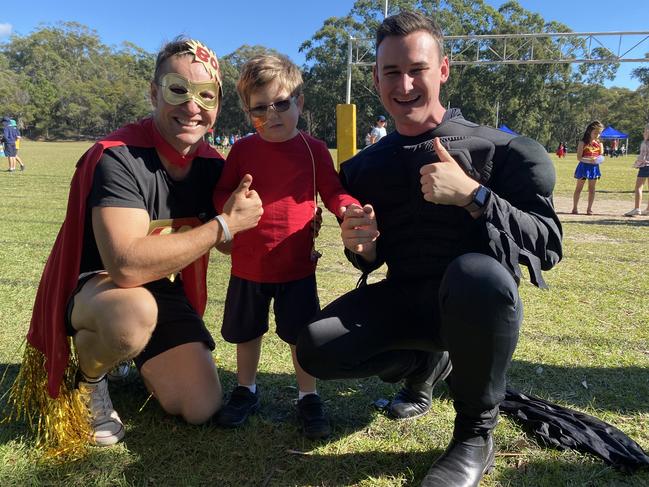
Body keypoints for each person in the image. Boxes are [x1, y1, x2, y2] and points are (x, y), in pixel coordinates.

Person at [296, 11, 562, 487]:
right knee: (315, 348)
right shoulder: (364, 168)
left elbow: (547, 243)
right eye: (391, 72)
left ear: (442, 70)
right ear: (375, 77)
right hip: (406, 300)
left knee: (474, 275)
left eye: (416, 68)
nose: (404, 85)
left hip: (478, 305)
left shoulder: (501, 150)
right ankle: (424, 364)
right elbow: (369, 259)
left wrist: (474, 196)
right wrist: (363, 247)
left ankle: (475, 434)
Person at [7, 37, 263, 453]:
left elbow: (232, 244)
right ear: (153, 92)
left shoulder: (213, 166)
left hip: (163, 287)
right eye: (177, 89)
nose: (192, 107)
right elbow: (125, 266)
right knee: (133, 313)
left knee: (201, 406)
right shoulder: (120, 156)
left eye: (206, 95)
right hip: (100, 287)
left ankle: (133, 356)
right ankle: (89, 378)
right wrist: (223, 226)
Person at [212, 54, 359, 439]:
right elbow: (222, 192)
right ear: (247, 113)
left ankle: (308, 396)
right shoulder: (242, 150)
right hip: (248, 265)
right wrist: (228, 207)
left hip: (297, 268)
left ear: (300, 103)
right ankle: (246, 389)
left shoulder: (313, 149)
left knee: (300, 335)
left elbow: (333, 191)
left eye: (282, 103)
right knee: (247, 331)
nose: (272, 114)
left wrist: (349, 209)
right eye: (260, 108)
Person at [571, 120, 605, 215]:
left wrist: (598, 159)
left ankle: (589, 209)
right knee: (579, 188)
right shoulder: (583, 143)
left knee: (592, 189)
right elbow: (579, 157)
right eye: (595, 133)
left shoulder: (599, 144)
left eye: (599, 133)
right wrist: (589, 160)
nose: (597, 135)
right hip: (583, 167)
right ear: (589, 131)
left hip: (594, 169)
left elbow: (601, 156)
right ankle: (575, 208)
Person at [624, 123, 649, 216]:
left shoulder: (645, 143)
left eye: (644, 131)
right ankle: (648, 209)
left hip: (645, 166)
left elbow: (642, 157)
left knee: (638, 187)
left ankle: (637, 208)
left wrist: (637, 163)